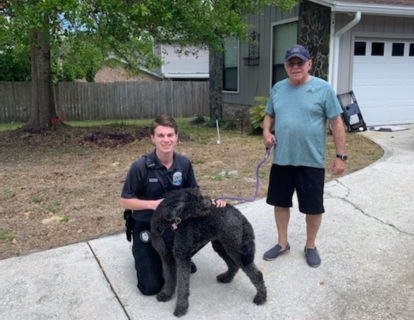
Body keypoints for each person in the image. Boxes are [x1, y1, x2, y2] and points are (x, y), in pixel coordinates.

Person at [120, 114, 226, 295]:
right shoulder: (140, 167)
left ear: (176, 136)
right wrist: (153, 205)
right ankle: (141, 250)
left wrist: (212, 202)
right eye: (160, 135)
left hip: (175, 225)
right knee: (151, 288)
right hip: (147, 225)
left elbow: (194, 194)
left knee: (214, 218)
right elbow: (124, 201)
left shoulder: (183, 163)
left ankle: (178, 257)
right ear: (152, 138)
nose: (166, 140)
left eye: (170, 135)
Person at [262, 44, 346, 268]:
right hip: (282, 159)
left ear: (309, 64)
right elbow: (269, 114)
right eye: (291, 63)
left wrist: (341, 156)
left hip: (311, 160)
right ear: (285, 66)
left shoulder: (323, 89)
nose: (296, 66)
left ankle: (310, 246)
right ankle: (282, 243)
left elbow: (336, 122)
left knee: (313, 206)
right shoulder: (278, 88)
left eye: (300, 62)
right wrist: (266, 132)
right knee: (280, 203)